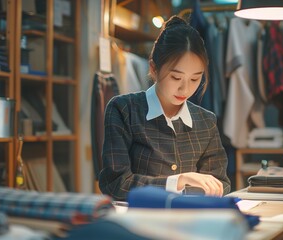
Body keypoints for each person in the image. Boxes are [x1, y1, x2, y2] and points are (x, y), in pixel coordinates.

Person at [99, 15, 231, 201]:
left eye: (195, 79)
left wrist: (206, 190)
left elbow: (220, 182)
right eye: (176, 78)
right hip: (138, 221)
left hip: (192, 221)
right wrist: (178, 181)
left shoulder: (206, 121)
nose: (185, 89)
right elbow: (115, 184)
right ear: (154, 69)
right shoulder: (123, 110)